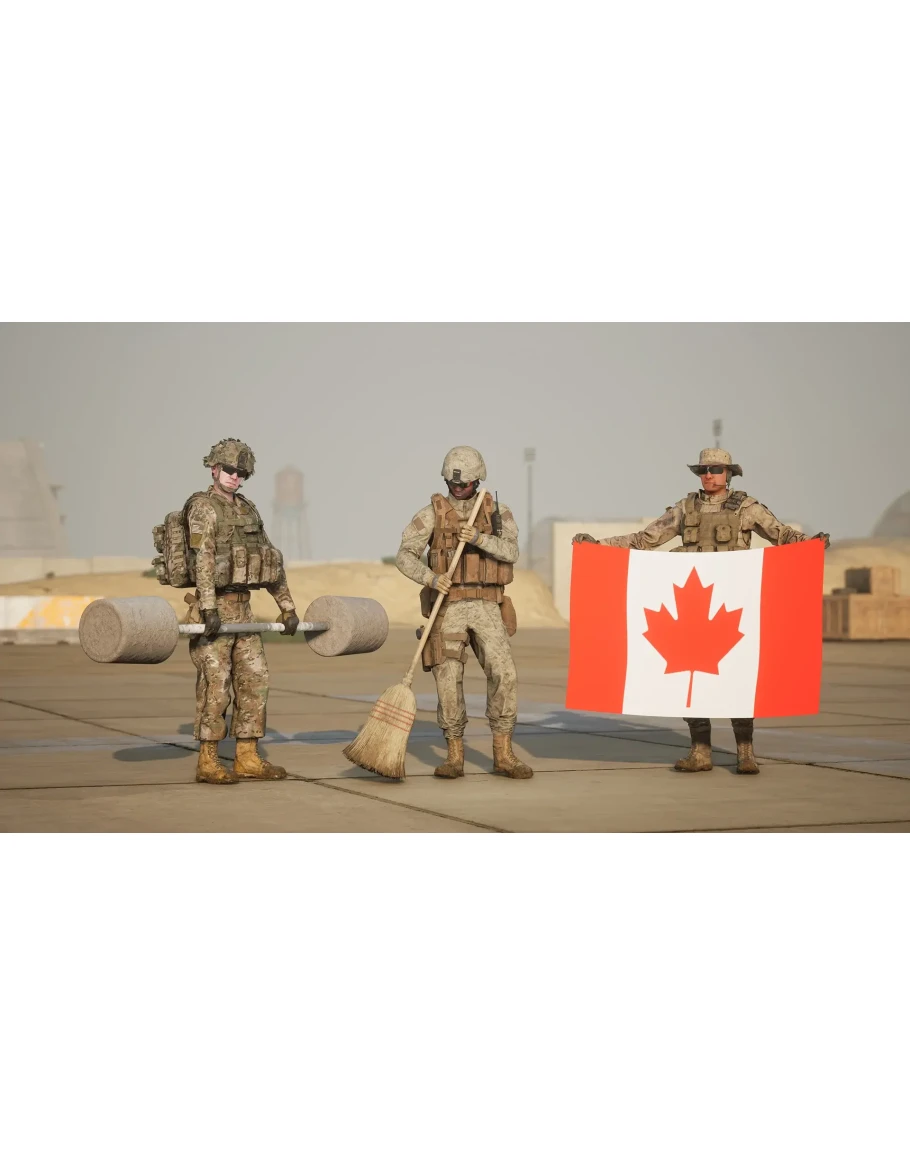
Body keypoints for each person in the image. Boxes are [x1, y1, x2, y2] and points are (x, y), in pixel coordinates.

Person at [574, 447, 830, 774]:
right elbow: (645, 539)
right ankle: (700, 752)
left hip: (732, 605)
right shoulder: (685, 508)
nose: (708, 475)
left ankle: (746, 753)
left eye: (715, 470)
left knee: (737, 677)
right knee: (690, 679)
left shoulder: (747, 508)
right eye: (703, 470)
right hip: (692, 606)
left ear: (729, 474)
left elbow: (782, 535)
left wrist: (810, 544)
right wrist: (598, 545)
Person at [395, 446, 533, 779]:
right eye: (452, 483)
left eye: (465, 483)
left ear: (478, 479)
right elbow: (404, 556)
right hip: (450, 607)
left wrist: (480, 539)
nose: (458, 488)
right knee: (447, 678)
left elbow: (512, 551)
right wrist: (431, 578)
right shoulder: (431, 514)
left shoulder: (498, 512)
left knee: (505, 674)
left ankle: (503, 754)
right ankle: (454, 754)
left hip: (488, 606)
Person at [185, 438, 300, 785]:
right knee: (216, 686)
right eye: (230, 470)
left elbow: (269, 559)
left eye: (242, 473)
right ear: (214, 469)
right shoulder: (203, 508)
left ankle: (247, 756)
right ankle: (207, 761)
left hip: (244, 613)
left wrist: (287, 607)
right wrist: (208, 608)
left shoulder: (248, 509)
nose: (236, 477)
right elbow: (203, 560)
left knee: (256, 680)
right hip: (215, 612)